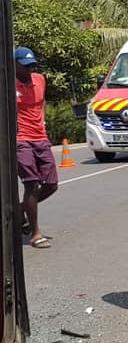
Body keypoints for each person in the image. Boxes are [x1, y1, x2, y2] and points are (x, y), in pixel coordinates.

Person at [15, 47, 58, 249]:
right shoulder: (7, 84)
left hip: (40, 137)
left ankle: (20, 210)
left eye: (31, 65)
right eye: (25, 66)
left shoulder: (40, 80)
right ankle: (35, 232)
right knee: (31, 184)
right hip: (21, 139)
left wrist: (43, 123)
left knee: (51, 184)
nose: (29, 70)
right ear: (15, 65)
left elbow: (41, 103)